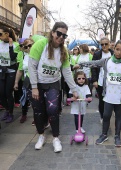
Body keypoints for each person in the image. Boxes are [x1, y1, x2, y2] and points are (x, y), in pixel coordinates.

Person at [76, 40, 121, 147]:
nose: (119, 52)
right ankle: (104, 134)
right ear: (114, 49)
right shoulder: (106, 61)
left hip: (120, 96)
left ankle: (117, 136)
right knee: (106, 115)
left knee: (119, 117)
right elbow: (94, 63)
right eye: (117, 49)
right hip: (108, 95)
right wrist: (81, 64)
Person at [28, 21, 78, 152]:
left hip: (53, 84)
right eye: (59, 33)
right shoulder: (40, 45)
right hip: (37, 83)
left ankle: (56, 138)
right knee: (38, 112)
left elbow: (66, 71)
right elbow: (31, 66)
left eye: (64, 35)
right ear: (52, 33)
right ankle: (41, 136)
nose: (61, 37)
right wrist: (34, 87)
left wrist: (74, 89)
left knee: (53, 110)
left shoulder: (64, 51)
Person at [91, 37, 113, 123]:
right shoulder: (97, 54)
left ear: (109, 44)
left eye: (106, 44)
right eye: (102, 44)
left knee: (110, 100)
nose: (104, 46)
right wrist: (94, 80)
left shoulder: (113, 54)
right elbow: (93, 67)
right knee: (102, 100)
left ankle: (108, 115)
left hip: (111, 82)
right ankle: (102, 116)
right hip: (100, 81)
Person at [0, 26, 18, 123]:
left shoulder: (15, 45)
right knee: (1, 93)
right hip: (2, 71)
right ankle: (7, 110)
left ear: (7, 34)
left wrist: (11, 45)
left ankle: (10, 113)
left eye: (0, 34)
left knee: (8, 93)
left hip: (11, 71)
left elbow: (12, 58)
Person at [14, 38, 34, 123]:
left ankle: (37, 117)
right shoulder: (23, 56)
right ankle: (24, 114)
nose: (29, 48)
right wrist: (16, 83)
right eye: (26, 46)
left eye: (30, 46)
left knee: (35, 100)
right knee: (25, 98)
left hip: (36, 81)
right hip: (26, 80)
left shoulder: (38, 55)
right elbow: (20, 70)